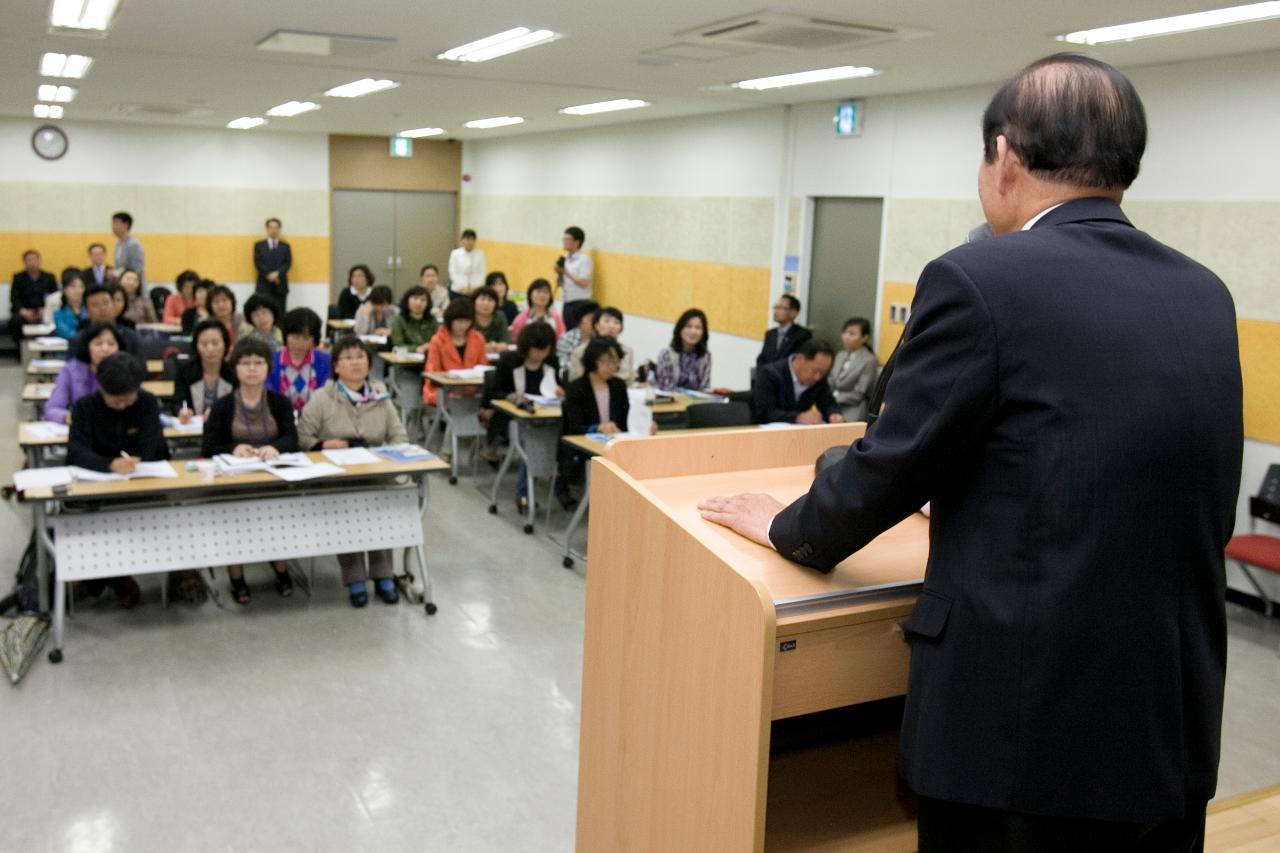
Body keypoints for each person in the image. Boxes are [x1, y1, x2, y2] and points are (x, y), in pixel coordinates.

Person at [699, 54, 1243, 851]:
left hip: (1025, 729)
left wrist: (786, 525)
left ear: (1006, 156)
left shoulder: (978, 277)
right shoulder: (1204, 292)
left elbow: (887, 466)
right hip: (1169, 717)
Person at [297, 336, 408, 607]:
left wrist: (386, 455)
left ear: (369, 363)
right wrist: (324, 445)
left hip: (375, 473)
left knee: (380, 507)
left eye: (360, 357)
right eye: (347, 358)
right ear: (336, 366)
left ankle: (384, 575)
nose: (355, 362)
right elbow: (302, 436)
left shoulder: (380, 395)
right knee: (348, 511)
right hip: (336, 478)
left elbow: (399, 436)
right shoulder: (323, 397)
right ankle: (355, 578)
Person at [202, 336, 299, 605]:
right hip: (234, 482)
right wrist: (233, 448)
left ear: (268, 367)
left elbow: (293, 439)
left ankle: (281, 570)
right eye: (246, 363)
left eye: (259, 362)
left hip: (273, 479)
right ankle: (237, 578)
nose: (253, 368)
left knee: (276, 520)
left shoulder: (280, 402)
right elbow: (209, 446)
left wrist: (276, 448)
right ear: (235, 369)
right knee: (235, 522)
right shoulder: (223, 406)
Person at [67, 352, 167, 608]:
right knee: (92, 520)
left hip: (143, 482)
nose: (123, 405)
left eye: (128, 399)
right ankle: (113, 577)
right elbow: (76, 452)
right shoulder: (85, 407)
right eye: (116, 401)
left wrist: (134, 460)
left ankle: (106, 578)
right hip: (99, 485)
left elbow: (151, 445)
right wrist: (110, 464)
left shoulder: (146, 403)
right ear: (101, 388)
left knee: (156, 514)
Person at [559, 337, 652, 509]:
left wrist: (644, 425)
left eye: (615, 362)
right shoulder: (576, 388)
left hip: (613, 444)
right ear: (593, 361)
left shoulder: (617, 386)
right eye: (606, 362)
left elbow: (624, 422)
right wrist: (598, 427)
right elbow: (573, 428)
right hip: (584, 448)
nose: (612, 367)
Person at [750, 338, 844, 425]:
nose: (817, 377)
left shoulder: (819, 378)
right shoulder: (769, 374)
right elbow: (765, 413)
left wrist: (833, 414)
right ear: (800, 359)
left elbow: (828, 402)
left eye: (823, 373)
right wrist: (797, 417)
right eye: (815, 371)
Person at [46, 322, 123, 424]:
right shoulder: (71, 370)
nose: (105, 349)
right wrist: (71, 417)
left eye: (111, 344)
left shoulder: (126, 369)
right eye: (98, 344)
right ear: (87, 347)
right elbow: (52, 409)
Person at [423, 298, 487, 406]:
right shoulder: (437, 340)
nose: (463, 326)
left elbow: (483, 367)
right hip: (445, 390)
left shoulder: (478, 339)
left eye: (466, 321)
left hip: (472, 390)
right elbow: (433, 371)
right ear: (450, 320)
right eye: (459, 321)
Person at [269, 307, 331, 415]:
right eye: (295, 337)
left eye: (306, 338)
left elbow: (326, 397)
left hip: (316, 419)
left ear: (315, 339)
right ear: (286, 335)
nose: (300, 343)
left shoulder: (326, 361)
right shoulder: (271, 361)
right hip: (280, 418)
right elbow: (269, 397)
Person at [174, 319, 236, 421]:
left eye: (215, 343)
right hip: (193, 430)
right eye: (204, 344)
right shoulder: (185, 371)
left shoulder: (234, 373)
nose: (210, 349)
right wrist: (182, 411)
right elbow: (177, 402)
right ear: (196, 347)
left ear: (225, 345)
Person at [653, 308, 713, 392]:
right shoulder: (666, 354)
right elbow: (666, 388)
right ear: (680, 329)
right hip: (670, 402)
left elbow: (705, 387)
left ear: (704, 332)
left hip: (696, 403)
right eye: (688, 326)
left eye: (698, 328)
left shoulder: (705, 356)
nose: (693, 331)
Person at [829, 317, 877, 422]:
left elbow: (860, 392)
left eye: (852, 334)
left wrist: (834, 397)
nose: (846, 337)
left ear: (865, 338)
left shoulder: (869, 360)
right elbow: (831, 381)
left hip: (854, 408)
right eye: (845, 332)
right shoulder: (840, 355)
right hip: (833, 405)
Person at [568, 307, 634, 383]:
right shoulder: (581, 351)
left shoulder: (627, 351)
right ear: (596, 325)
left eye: (616, 322)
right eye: (607, 321)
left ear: (621, 328)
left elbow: (630, 379)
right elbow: (575, 379)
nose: (611, 326)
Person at [75, 283, 142, 357]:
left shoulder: (131, 338)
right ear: (87, 310)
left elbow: (139, 367)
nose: (102, 308)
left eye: (106, 303)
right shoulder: (78, 340)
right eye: (95, 305)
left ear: (113, 305)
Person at [10, 249, 57, 348]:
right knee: (15, 321)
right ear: (25, 262)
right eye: (29, 260)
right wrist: (23, 311)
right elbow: (14, 298)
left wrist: (46, 309)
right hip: (25, 312)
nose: (32, 263)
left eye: (34, 259)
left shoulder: (49, 277)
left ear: (39, 261)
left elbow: (55, 296)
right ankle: (21, 350)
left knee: (54, 319)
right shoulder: (18, 278)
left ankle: (45, 350)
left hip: (44, 311)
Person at [756, 294, 811, 367]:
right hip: (767, 376)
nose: (776, 311)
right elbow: (762, 357)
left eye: (781, 308)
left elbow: (796, 362)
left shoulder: (802, 335)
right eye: (776, 307)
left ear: (793, 312)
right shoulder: (770, 334)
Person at [555, 225, 593, 328]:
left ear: (577, 242)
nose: (564, 242)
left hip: (580, 304)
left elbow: (584, 283)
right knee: (567, 330)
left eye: (568, 239)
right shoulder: (566, 258)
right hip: (567, 302)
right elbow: (560, 284)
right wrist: (559, 273)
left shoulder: (584, 260)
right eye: (564, 239)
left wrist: (566, 272)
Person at [253, 217, 292, 313]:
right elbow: (258, 263)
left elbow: (288, 263)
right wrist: (269, 275)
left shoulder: (285, 246)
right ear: (267, 229)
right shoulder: (259, 245)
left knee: (280, 312)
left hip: (280, 285)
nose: (273, 230)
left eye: (276, 227)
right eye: (271, 227)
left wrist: (277, 274)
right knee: (263, 310)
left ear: (279, 229)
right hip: (263, 286)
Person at [555, 299, 598, 383]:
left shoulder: (600, 338)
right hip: (572, 378)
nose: (594, 323)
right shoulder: (567, 338)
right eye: (591, 319)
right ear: (579, 320)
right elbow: (562, 364)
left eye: (596, 320)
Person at [391, 285, 438, 353]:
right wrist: (417, 349)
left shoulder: (432, 320)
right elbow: (398, 345)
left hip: (429, 357)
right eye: (415, 298)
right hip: (405, 359)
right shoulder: (398, 319)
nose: (418, 303)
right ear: (407, 300)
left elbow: (439, 341)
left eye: (423, 300)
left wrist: (429, 347)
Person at [448, 228, 487, 298]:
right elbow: (452, 272)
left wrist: (474, 287)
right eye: (468, 239)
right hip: (458, 290)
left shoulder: (480, 254)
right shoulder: (455, 253)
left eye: (473, 240)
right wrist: (463, 288)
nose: (470, 242)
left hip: (475, 290)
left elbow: (482, 272)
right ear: (462, 240)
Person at [471, 285, 511, 351]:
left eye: (490, 300)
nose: (486, 303)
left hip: (496, 357)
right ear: (474, 302)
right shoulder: (468, 317)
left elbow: (505, 342)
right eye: (482, 299)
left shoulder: (499, 316)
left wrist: (494, 346)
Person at [111, 211, 145, 286]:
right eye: (113, 224)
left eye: (116, 223)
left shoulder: (134, 244)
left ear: (126, 225)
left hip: (133, 285)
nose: (113, 227)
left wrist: (116, 273)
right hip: (121, 284)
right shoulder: (118, 244)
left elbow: (137, 269)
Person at [53, 270, 88, 340]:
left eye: (81, 286)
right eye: (73, 286)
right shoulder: (59, 314)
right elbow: (67, 334)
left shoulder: (90, 311)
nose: (78, 290)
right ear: (64, 290)